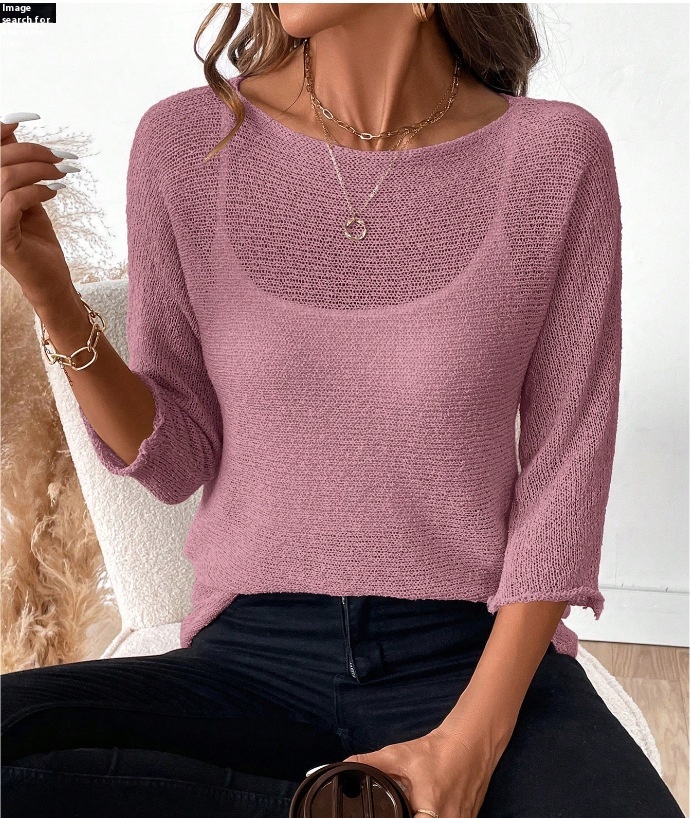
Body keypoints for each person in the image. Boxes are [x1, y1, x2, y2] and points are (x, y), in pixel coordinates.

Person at [0, 3, 685, 817]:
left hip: (470, 653)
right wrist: (50, 293)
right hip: (250, 659)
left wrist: (467, 746)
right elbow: (174, 461)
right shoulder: (186, 142)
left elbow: (566, 468)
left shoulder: (553, 153)